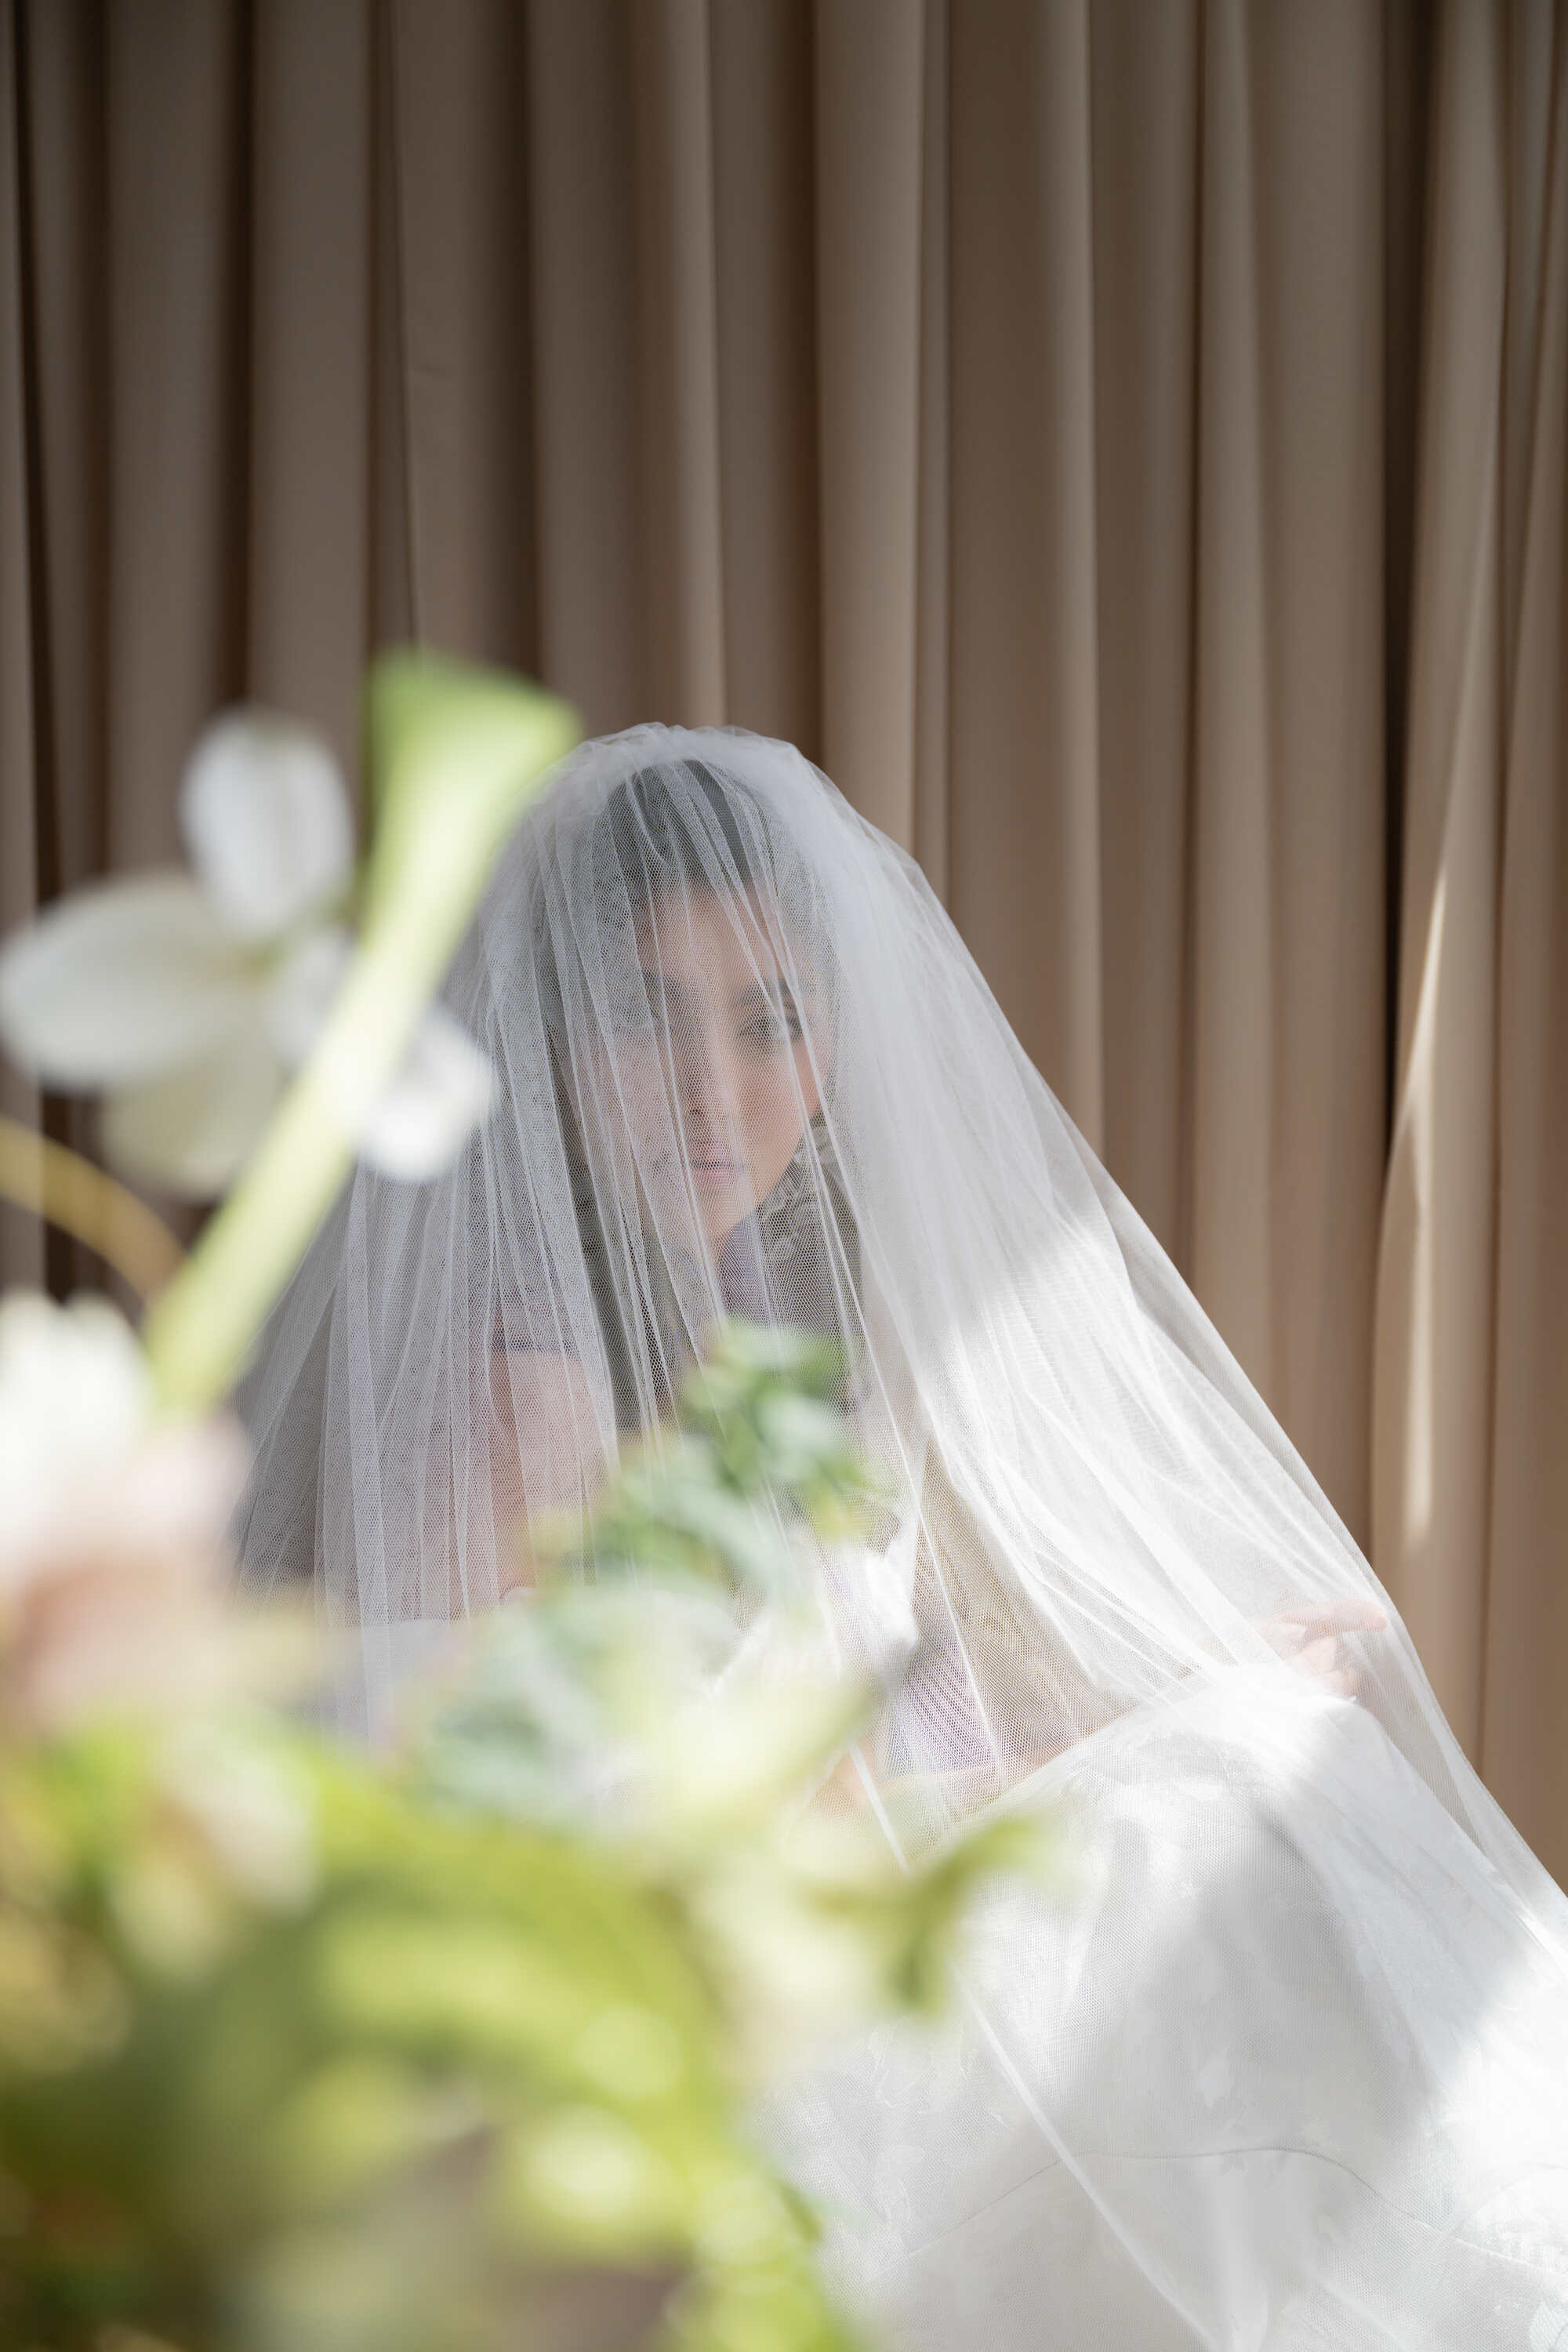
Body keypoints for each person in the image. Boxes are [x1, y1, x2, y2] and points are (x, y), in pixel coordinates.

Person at [238, 724, 1568, 2349]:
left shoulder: (759, 1338)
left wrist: (1178, 1701)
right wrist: (1173, 1729)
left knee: (1265, 1788)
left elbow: (869, 1739)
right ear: (556, 1041)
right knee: (1240, 1808)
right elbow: (699, 1859)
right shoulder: (519, 1386)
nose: (714, 1092)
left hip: (815, 1957)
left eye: (770, 1022)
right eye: (647, 1019)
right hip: (690, 2039)